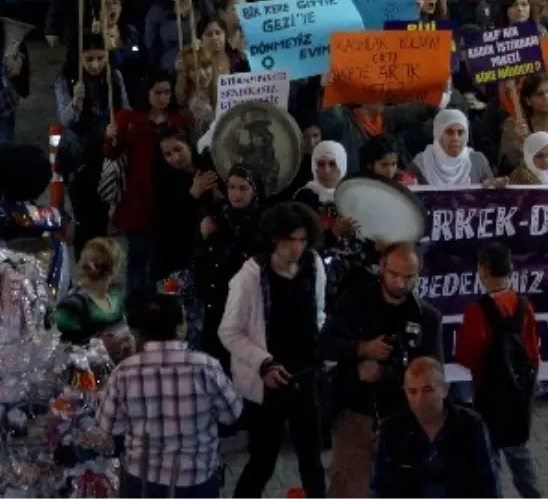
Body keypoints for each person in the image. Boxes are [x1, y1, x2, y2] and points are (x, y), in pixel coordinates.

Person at [319, 242, 443, 499]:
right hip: (354, 414)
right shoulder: (355, 304)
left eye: (409, 277)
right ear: (382, 268)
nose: (400, 283)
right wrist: (362, 349)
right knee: (349, 488)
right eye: (394, 275)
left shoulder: (427, 318)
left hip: (403, 419)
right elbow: (323, 345)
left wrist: (391, 373)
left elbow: (434, 372)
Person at [220, 202, 327, 499]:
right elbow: (228, 331)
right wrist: (263, 363)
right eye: (290, 240)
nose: (296, 248)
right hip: (267, 383)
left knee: (312, 462)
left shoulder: (314, 265)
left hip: (305, 376)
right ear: (274, 239)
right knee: (263, 461)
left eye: (303, 240)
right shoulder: (251, 277)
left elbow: (318, 312)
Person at [98, 295, 243, 499]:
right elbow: (232, 414)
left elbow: (109, 426)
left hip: (143, 481)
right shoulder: (206, 367)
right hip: (196, 480)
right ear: (179, 327)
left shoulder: (124, 372)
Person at [456, 242, 542, 499]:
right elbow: (533, 353)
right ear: (510, 268)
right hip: (519, 392)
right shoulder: (525, 306)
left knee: (489, 453)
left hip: (489, 392)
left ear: (483, 269)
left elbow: (468, 356)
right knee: (519, 449)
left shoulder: (477, 311)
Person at [371, 357, 503, 498]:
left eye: (428, 390)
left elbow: (488, 486)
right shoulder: (392, 430)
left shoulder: (470, 426)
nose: (419, 400)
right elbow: (380, 487)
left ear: (445, 389)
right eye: (412, 392)